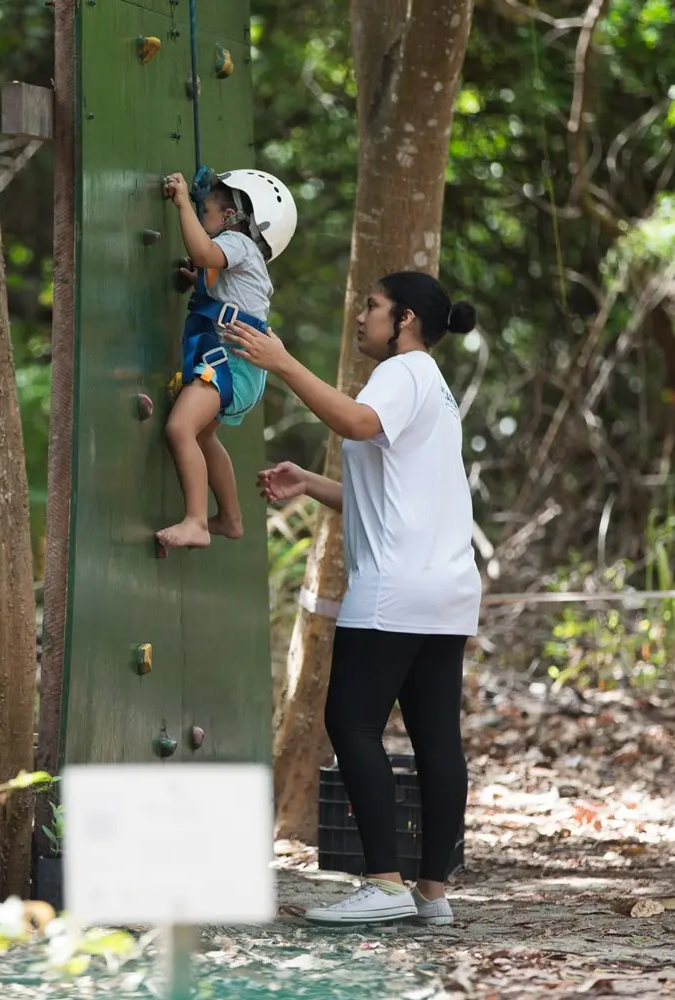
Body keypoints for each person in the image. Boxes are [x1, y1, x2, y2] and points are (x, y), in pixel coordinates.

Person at [222, 271, 481, 926]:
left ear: (408, 321)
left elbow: (360, 423)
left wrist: (281, 363)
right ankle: (431, 893)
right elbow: (389, 490)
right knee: (434, 737)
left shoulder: (401, 371)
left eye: (372, 306)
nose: (361, 316)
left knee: (352, 723)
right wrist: (311, 483)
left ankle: (385, 883)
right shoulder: (435, 387)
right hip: (446, 587)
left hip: (395, 586)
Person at [156, 168, 297, 550]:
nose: (202, 217)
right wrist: (196, 280)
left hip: (229, 366)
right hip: (239, 368)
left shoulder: (237, 244)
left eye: (206, 210)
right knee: (202, 436)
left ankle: (196, 522)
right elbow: (217, 284)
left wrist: (183, 201)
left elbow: (204, 251)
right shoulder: (240, 255)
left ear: (231, 217)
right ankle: (230, 519)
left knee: (179, 429)